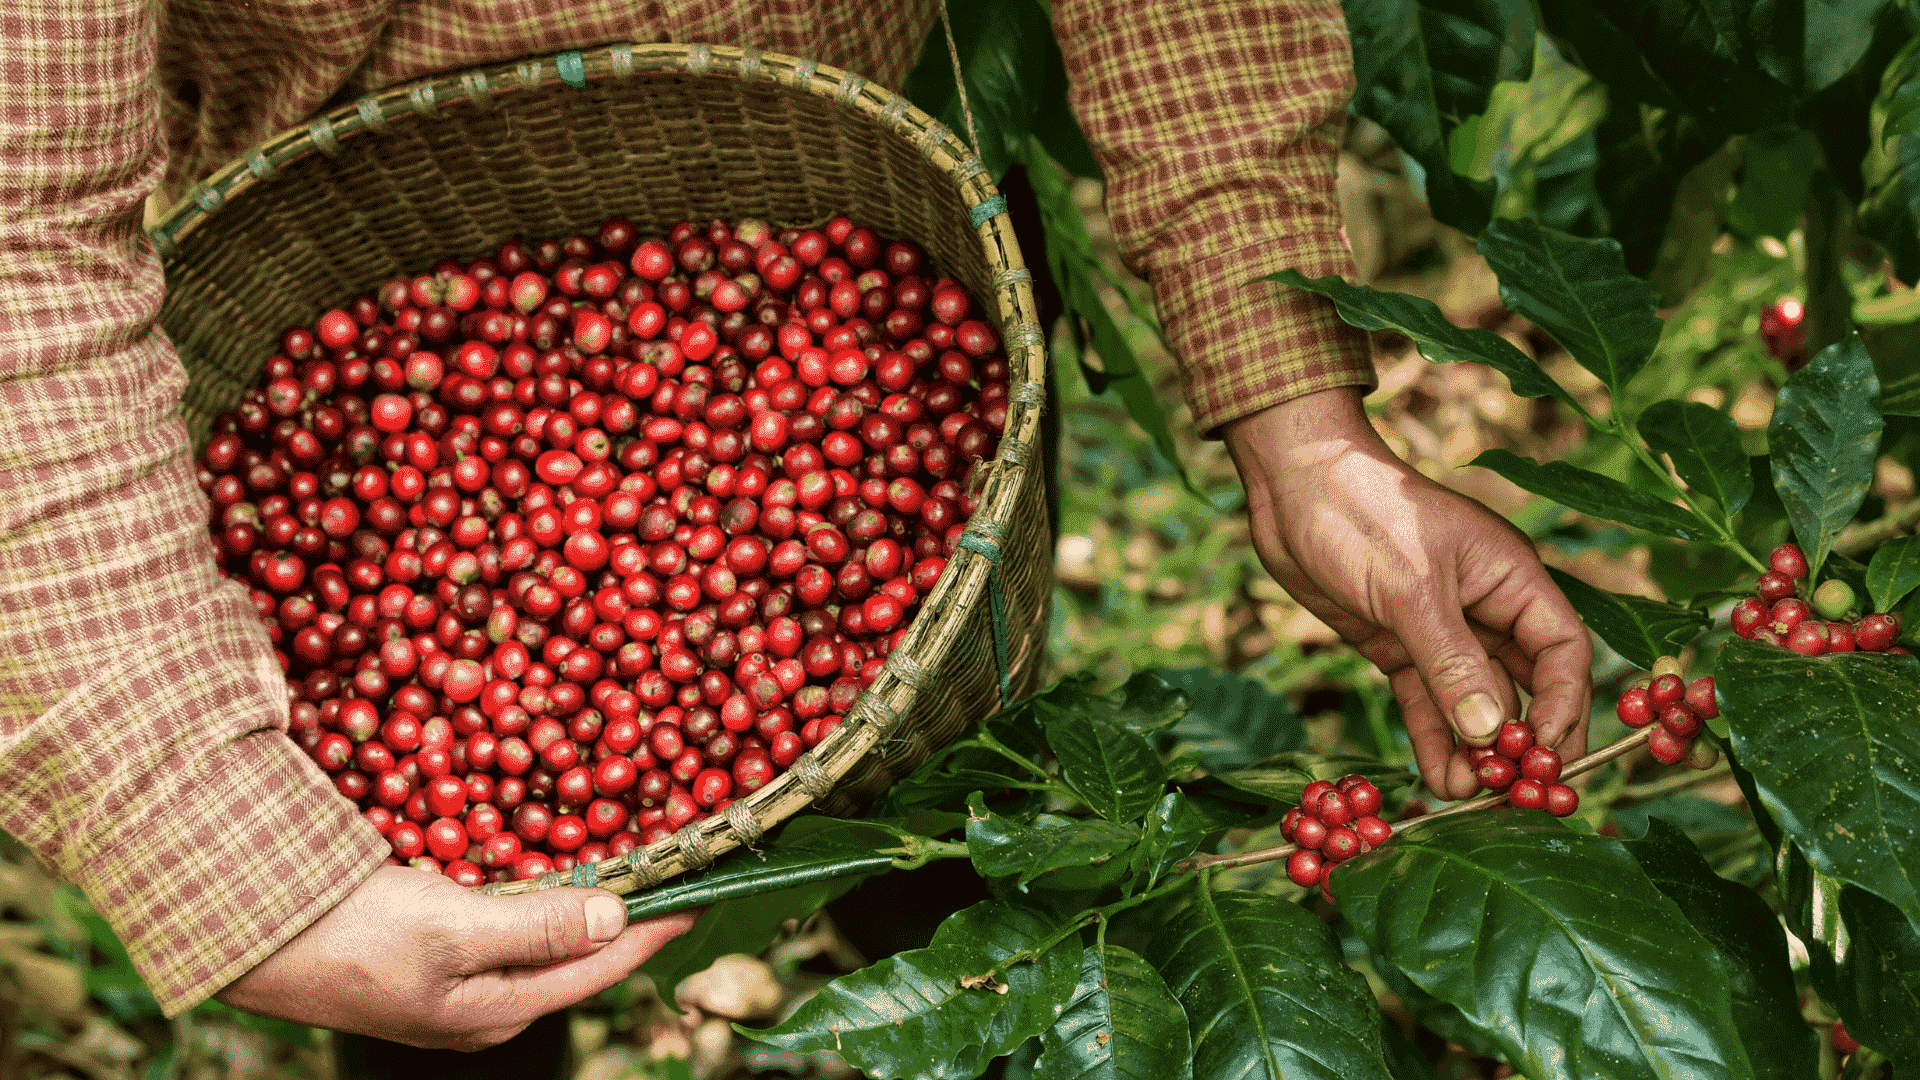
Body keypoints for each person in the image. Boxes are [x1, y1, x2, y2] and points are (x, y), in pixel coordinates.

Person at [0, 0, 1590, 1054]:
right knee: (435, 958)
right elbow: (16, 228)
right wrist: (211, 830)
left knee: (970, 821)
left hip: (854, 148)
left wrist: (1300, 420)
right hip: (340, 188)